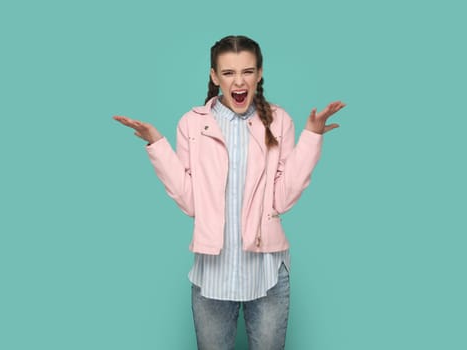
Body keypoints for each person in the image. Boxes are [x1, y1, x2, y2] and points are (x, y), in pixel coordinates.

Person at [114, 35, 345, 350]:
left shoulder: (278, 121)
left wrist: (312, 137)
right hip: (212, 277)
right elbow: (191, 202)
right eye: (228, 73)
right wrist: (156, 142)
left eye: (248, 71)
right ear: (214, 76)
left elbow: (283, 198)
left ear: (259, 74)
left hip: (267, 274)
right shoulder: (192, 125)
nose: (239, 81)